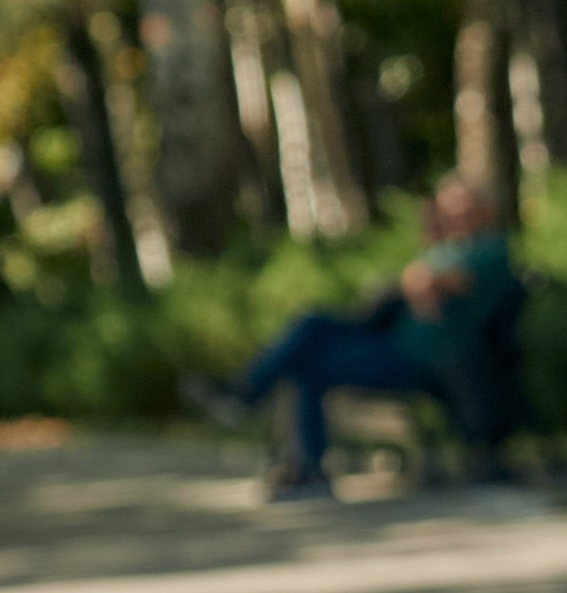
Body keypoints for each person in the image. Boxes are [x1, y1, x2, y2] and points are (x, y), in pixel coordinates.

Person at [212, 175, 518, 496]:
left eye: (458, 207)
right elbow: (418, 285)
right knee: (312, 326)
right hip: (393, 346)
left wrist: (418, 282)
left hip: (425, 361)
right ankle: (250, 398)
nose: (450, 216)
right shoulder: (444, 251)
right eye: (444, 209)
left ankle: (264, 417)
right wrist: (420, 273)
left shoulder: (491, 249)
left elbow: (436, 283)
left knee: (311, 364)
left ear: (486, 211)